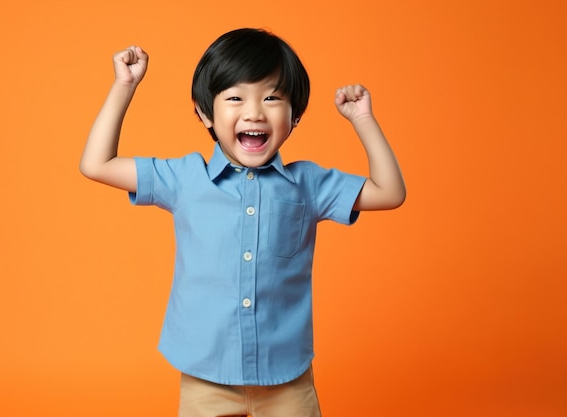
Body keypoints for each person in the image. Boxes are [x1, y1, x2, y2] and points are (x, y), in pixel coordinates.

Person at [80, 28, 405, 417]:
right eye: (235, 98)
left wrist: (363, 120)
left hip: (288, 380)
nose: (254, 112)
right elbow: (96, 164)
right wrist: (124, 86)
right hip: (206, 378)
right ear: (205, 113)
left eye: (271, 97)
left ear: (296, 115)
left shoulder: (310, 184)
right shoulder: (184, 179)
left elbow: (390, 192)